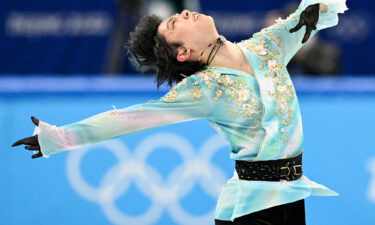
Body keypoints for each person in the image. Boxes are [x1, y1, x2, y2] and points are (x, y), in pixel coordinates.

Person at [12, 0, 348, 224]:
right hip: (253, 206)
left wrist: (316, 8)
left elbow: (314, 11)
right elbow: (128, 119)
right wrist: (57, 138)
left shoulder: (268, 45)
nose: (185, 13)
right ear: (184, 52)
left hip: (293, 195)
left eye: (180, 14)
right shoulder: (202, 89)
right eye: (175, 23)